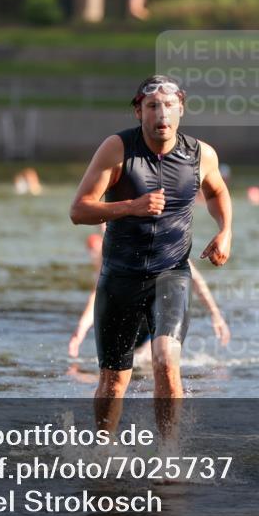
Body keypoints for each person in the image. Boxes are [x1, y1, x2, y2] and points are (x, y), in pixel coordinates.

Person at [69, 75, 232, 435]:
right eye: (153, 106)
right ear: (138, 110)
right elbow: (79, 211)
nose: (162, 114)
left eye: (170, 106)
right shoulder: (117, 149)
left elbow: (218, 192)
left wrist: (224, 231)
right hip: (120, 278)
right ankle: (103, 453)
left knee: (166, 361)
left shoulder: (200, 154)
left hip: (171, 274)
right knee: (114, 381)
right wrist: (131, 206)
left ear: (181, 110)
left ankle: (168, 454)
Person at [68, 225, 231, 360]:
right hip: (130, 319)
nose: (105, 231)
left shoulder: (162, 242)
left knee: (157, 363)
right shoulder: (110, 253)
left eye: (108, 226)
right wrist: (80, 331)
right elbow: (98, 293)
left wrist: (215, 313)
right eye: (103, 227)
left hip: (159, 315)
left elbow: (196, 280)